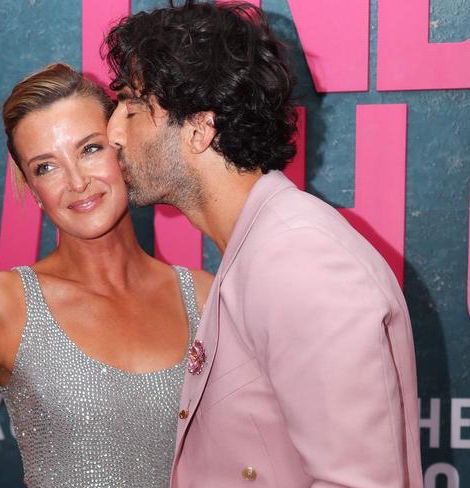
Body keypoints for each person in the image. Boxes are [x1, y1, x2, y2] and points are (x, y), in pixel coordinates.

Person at [104, 2, 423, 487]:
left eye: (131, 108)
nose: (113, 134)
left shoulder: (299, 259)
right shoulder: (261, 247)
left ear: (199, 129)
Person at [0, 63, 212, 488]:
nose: (76, 182)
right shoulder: (5, 306)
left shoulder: (204, 297)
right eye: (46, 167)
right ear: (32, 190)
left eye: (90, 149)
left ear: (121, 148)